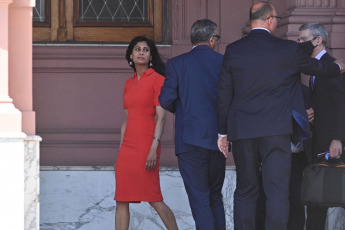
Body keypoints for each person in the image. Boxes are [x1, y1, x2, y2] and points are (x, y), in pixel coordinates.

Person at [217, 2, 345, 230]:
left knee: (246, 189)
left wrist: (222, 132)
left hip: (243, 131)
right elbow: (317, 68)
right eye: (275, 19)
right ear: (268, 20)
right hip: (276, 131)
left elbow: (224, 93)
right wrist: (338, 68)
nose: (276, 23)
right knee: (277, 190)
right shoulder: (287, 49)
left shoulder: (233, 50)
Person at [159, 19, 226, 230]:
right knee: (215, 196)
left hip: (189, 141)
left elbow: (165, 100)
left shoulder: (177, 64)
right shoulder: (224, 62)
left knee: (200, 199)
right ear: (212, 39)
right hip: (219, 140)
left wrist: (184, 109)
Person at [114, 36, 178, 230]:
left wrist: (154, 147)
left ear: (151, 56)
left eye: (145, 50)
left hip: (147, 146)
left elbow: (161, 117)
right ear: (131, 55)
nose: (141, 52)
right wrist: (120, 151)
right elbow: (126, 120)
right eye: (137, 49)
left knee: (154, 198)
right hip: (127, 149)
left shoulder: (158, 80)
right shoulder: (128, 84)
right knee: (121, 200)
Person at [298, 22, 345, 230]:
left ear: (318, 40)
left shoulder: (331, 65)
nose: (299, 44)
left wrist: (337, 138)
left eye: (303, 40)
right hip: (319, 139)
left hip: (331, 143)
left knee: (327, 195)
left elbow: (340, 103)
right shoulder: (317, 66)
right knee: (318, 196)